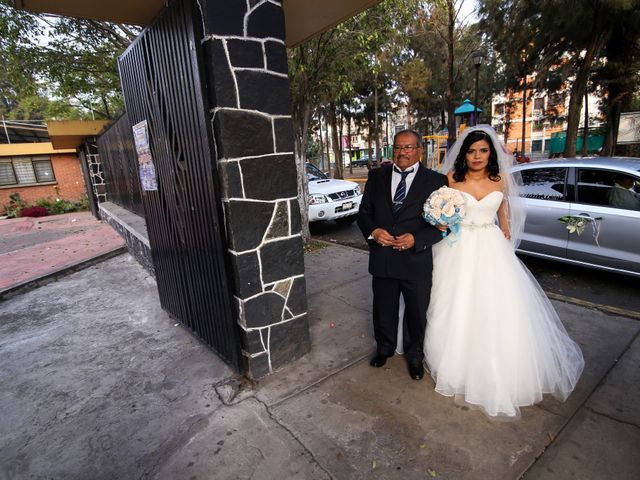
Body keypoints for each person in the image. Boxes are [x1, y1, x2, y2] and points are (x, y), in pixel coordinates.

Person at [424, 125, 584, 418]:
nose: (477, 156)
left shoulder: (500, 180)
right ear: (464, 154)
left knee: (495, 307)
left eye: (483, 151)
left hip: (490, 245)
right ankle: (450, 362)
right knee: (452, 303)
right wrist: (440, 223)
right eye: (472, 151)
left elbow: (503, 213)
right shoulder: (451, 178)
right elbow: (441, 210)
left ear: (491, 153)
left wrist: (507, 230)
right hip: (456, 247)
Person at [358, 130, 448, 380]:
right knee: (383, 308)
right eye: (398, 147)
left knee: (416, 313)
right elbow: (364, 214)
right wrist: (374, 231)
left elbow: (445, 226)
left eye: (409, 147)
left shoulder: (437, 181)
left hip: (415, 260)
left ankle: (414, 356)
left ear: (420, 150)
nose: (403, 152)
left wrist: (416, 239)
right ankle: (384, 348)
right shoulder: (376, 176)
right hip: (383, 258)